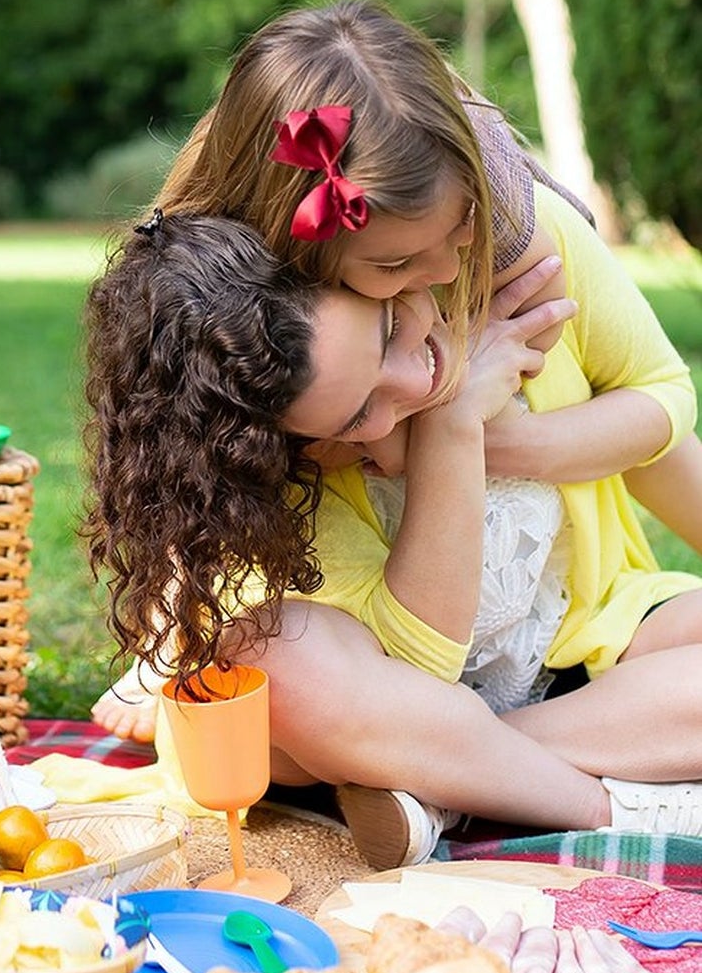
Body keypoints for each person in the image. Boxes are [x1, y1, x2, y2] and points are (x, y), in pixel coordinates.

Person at [90, 0, 702, 745]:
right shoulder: (268, 354)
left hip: (581, 626)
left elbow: (663, 400)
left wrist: (494, 439)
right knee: (278, 693)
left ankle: (481, 763)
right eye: (393, 266)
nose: (444, 268)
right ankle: (487, 756)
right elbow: (194, 486)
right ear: (298, 250)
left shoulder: (522, 247)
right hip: (382, 659)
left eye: (460, 227)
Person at [60, 206, 702, 868]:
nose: (413, 379)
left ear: (368, 271)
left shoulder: (510, 267)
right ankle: (606, 804)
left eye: (390, 325)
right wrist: (448, 427)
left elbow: (659, 417)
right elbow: (420, 672)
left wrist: (498, 437)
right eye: (359, 411)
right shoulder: (286, 459)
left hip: (579, 653)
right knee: (274, 660)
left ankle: (443, 791)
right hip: (386, 703)